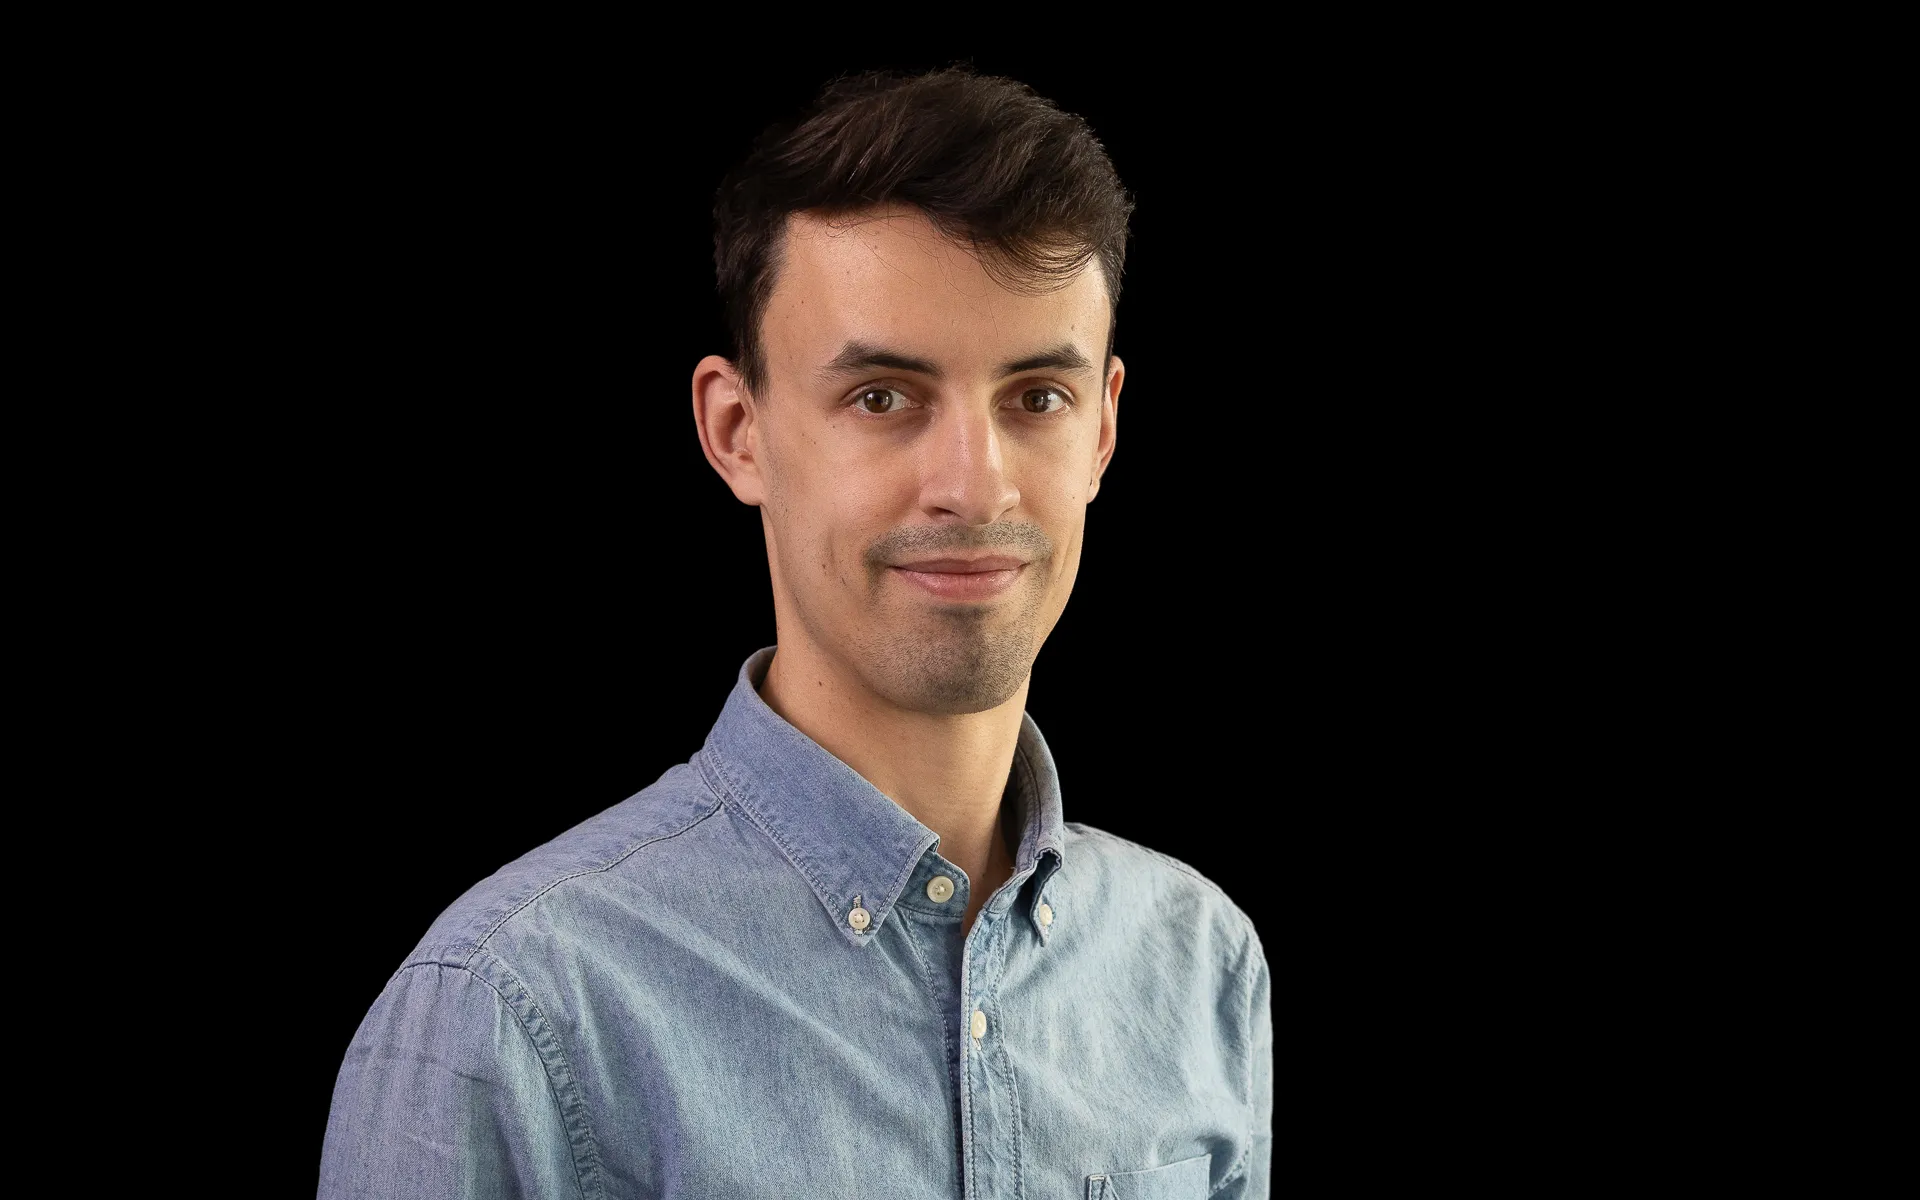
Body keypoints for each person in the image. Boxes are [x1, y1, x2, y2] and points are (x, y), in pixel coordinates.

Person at [319, 66, 1271, 1198]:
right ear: (737, 431)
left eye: (1035, 397)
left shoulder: (1200, 965)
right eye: (883, 396)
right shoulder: (513, 1010)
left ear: (1103, 430)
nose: (975, 485)